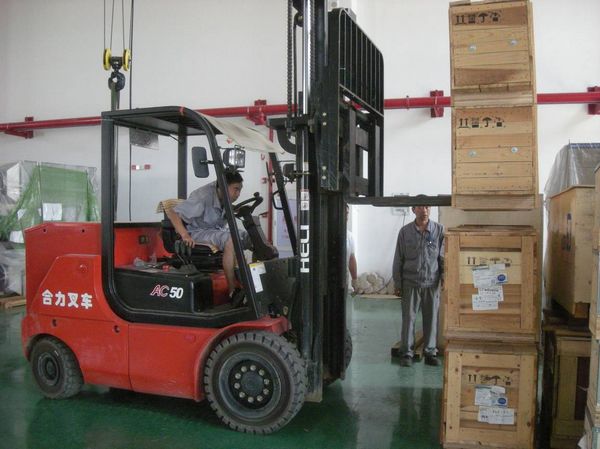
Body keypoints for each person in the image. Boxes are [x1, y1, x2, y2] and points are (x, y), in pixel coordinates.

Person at [166, 170, 251, 296]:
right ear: (222, 186)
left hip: (214, 230)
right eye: (236, 189)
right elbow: (173, 213)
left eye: (240, 190)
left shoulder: (224, 198)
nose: (238, 194)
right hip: (197, 232)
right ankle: (233, 291)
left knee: (249, 237)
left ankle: (252, 284)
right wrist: (184, 235)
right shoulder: (203, 196)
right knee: (231, 240)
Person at [392, 198, 444, 367]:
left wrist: (444, 279)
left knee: (432, 319)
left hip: (431, 283)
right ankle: (407, 353)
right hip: (410, 283)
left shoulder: (439, 230)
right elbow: (398, 258)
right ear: (413, 209)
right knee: (408, 319)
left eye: (427, 206)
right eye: (421, 207)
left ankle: (430, 352)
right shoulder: (405, 232)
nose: (424, 210)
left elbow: (443, 257)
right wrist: (398, 283)